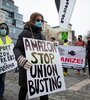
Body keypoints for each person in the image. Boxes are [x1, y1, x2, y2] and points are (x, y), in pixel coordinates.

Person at [13, 12, 48, 100]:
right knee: (24, 89)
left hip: (40, 69)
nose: (40, 22)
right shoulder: (25, 32)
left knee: (44, 91)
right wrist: (21, 59)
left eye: (41, 20)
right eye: (38, 20)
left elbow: (45, 50)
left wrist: (52, 47)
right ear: (32, 20)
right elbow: (17, 49)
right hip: (27, 67)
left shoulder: (41, 35)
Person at [0, 23, 13, 100]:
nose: (3, 30)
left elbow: (11, 50)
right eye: (2, 28)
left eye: (5, 28)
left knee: (2, 80)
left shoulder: (9, 39)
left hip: (4, 64)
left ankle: (1, 95)